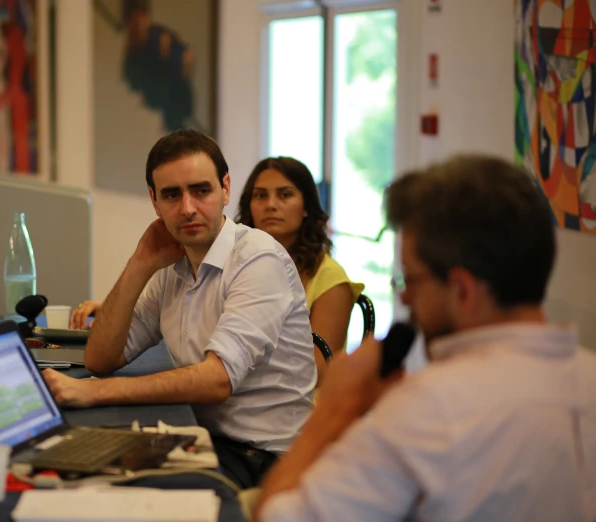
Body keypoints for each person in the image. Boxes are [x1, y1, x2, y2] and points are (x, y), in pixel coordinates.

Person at [256, 155, 596, 521]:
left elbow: (276, 517)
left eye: (410, 280)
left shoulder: (428, 410)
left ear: (463, 291)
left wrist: (333, 412)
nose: (403, 298)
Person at [44, 129, 316, 489]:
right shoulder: (171, 266)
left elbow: (217, 380)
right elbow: (100, 358)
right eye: (172, 195)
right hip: (201, 436)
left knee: (122, 493)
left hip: (263, 458)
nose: (187, 208)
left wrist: (94, 391)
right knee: (74, 470)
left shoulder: (257, 258)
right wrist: (139, 262)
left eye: (200, 191)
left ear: (225, 189)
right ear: (155, 203)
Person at [236, 157, 363, 384]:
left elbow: (318, 369)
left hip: (301, 405)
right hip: (241, 391)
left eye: (285, 195)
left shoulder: (329, 278)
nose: (271, 205)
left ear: (306, 207)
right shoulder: (238, 263)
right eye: (260, 195)